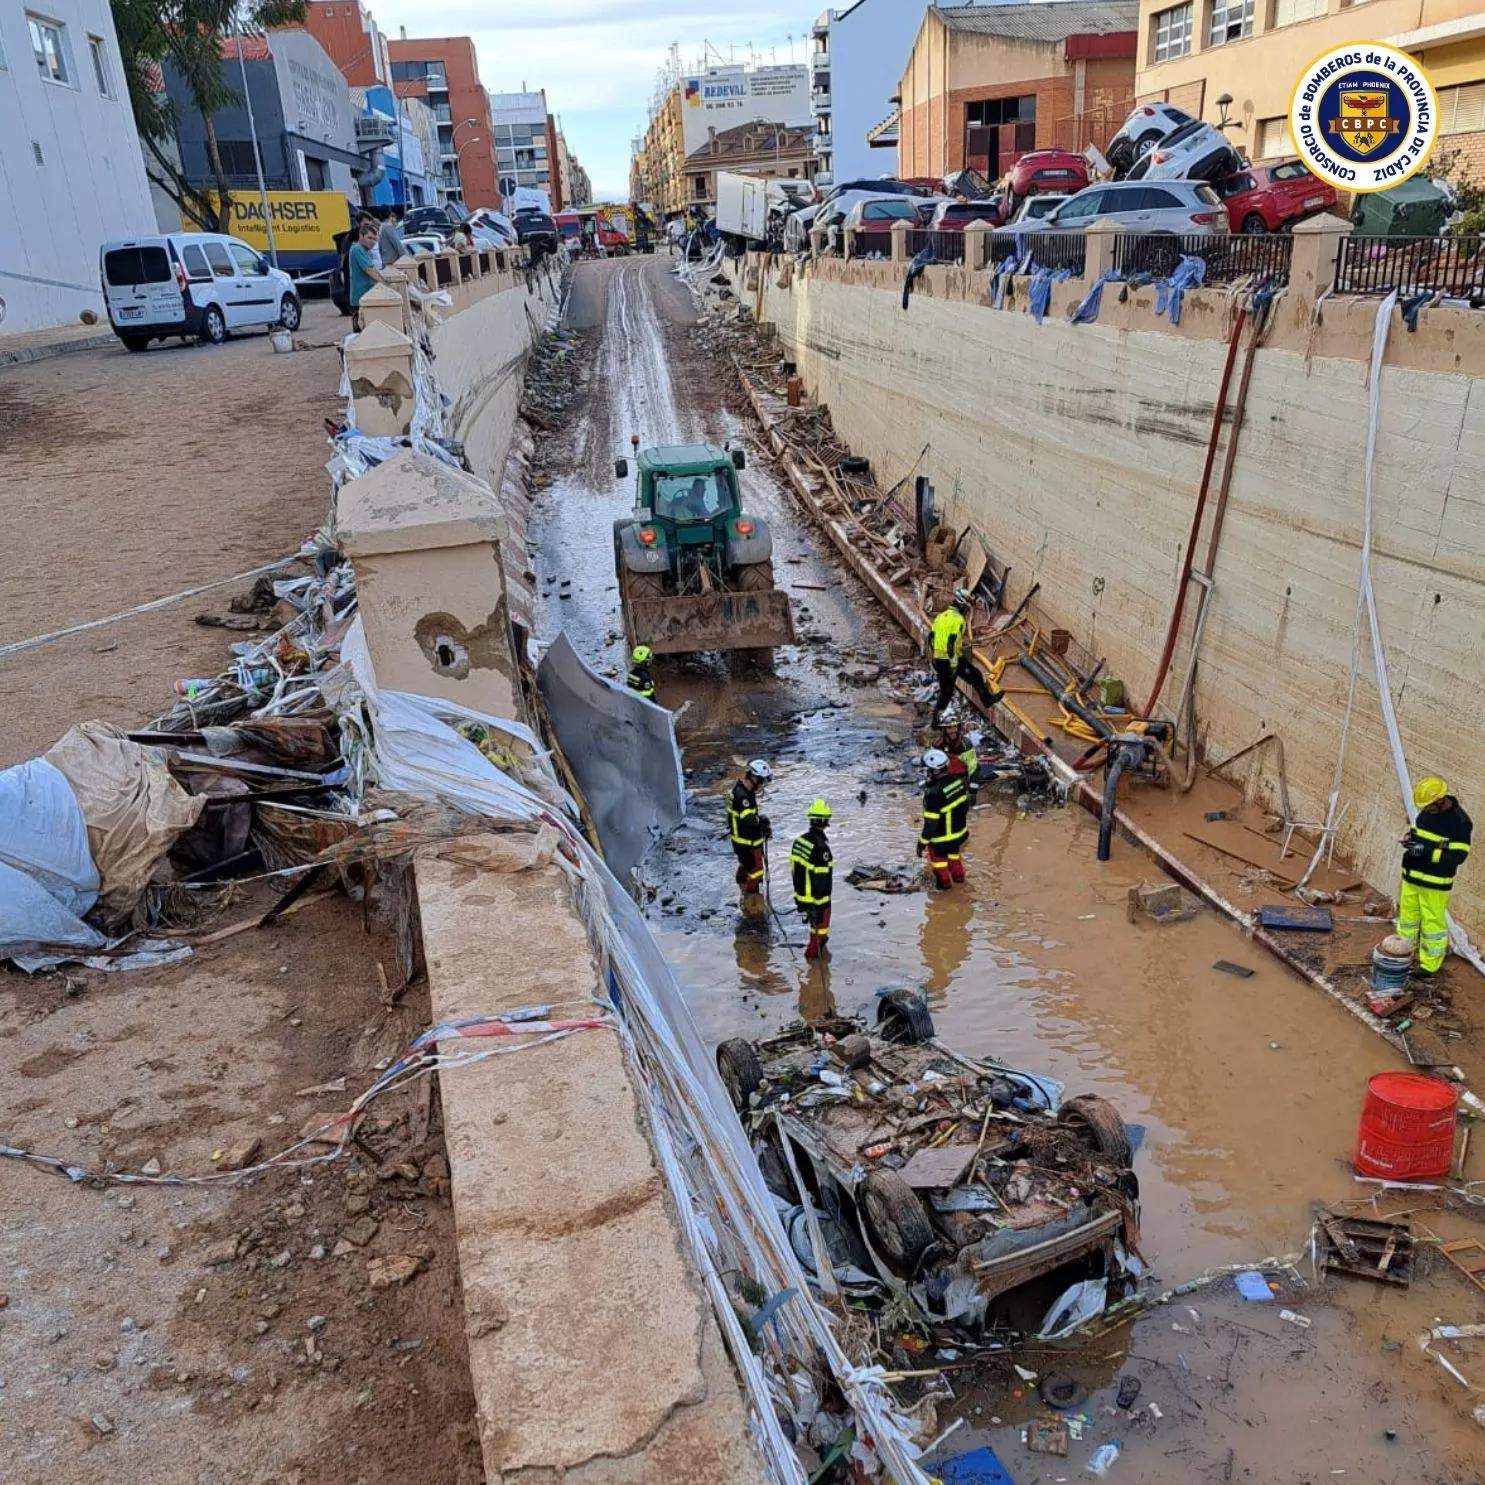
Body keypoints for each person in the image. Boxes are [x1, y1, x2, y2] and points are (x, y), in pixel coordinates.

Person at [1397, 776, 1472, 976]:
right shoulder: (1426, 814)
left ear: (1440, 802)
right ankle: (1402, 952)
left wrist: (1426, 852)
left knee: (1432, 923)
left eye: (1428, 807)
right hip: (1411, 876)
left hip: (1435, 883)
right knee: (1407, 918)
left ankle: (1429, 965)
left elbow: (1457, 856)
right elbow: (1418, 833)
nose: (1424, 812)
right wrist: (1410, 840)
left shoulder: (1460, 822)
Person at [930, 588, 1004, 721]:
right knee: (974, 676)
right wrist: (953, 664)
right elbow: (951, 643)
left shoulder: (940, 617)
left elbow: (931, 638)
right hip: (952, 658)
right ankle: (987, 700)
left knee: (947, 691)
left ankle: (936, 719)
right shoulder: (958, 620)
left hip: (940, 658)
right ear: (962, 604)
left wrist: (935, 656)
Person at [917, 748, 970, 891]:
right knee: (954, 857)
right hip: (959, 834)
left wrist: (921, 843)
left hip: (941, 838)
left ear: (935, 771)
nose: (926, 773)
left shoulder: (933, 794)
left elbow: (931, 824)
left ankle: (945, 894)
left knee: (939, 865)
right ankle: (960, 883)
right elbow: (965, 806)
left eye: (928, 770)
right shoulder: (957, 782)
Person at [728, 759, 772, 919]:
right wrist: (762, 821)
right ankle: (752, 905)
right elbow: (750, 820)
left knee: (745, 867)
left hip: (742, 841)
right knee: (755, 871)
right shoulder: (742, 797)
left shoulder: (742, 791)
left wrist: (761, 823)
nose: (762, 786)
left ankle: (745, 896)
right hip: (746, 843)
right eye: (762, 782)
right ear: (755, 778)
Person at [790, 800, 834, 962]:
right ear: (826, 821)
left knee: (814, 931)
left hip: (802, 896)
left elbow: (795, 871)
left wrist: (803, 901)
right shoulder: (821, 848)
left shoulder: (800, 841)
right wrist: (818, 907)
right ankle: (812, 969)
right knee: (819, 936)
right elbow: (821, 881)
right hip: (818, 902)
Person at [936, 706, 981, 802]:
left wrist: (973, 791)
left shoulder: (965, 744)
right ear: (944, 729)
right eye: (949, 728)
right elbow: (932, 764)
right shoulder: (938, 743)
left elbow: (973, 768)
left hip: (960, 780)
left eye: (954, 727)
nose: (952, 731)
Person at [348, 218, 383, 332]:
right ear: (361, 236)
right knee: (363, 333)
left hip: (365, 297)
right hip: (360, 299)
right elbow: (370, 270)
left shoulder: (365, 251)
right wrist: (385, 285)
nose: (372, 242)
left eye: (374, 239)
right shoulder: (358, 249)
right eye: (369, 238)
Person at [377, 205, 405, 270]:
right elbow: (397, 245)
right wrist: (405, 258)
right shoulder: (388, 227)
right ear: (390, 214)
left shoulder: (381, 227)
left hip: (385, 262)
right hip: (392, 263)